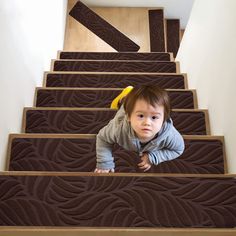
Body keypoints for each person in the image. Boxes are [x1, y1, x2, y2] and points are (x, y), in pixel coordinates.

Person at [95, 85, 185, 173]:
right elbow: (102, 138)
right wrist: (104, 162)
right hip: (124, 109)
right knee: (123, 103)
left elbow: (178, 149)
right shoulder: (118, 129)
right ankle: (126, 94)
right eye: (141, 116)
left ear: (164, 119)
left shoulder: (169, 135)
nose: (147, 123)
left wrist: (154, 157)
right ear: (129, 117)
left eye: (154, 117)